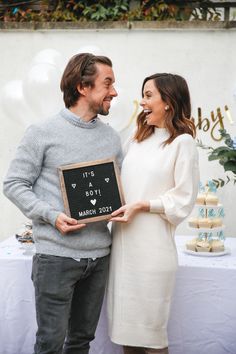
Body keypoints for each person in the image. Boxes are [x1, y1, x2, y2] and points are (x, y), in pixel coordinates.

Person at [3, 53, 123, 354]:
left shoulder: (111, 138)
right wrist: (52, 215)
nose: (114, 92)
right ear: (83, 87)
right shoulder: (41, 132)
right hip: (55, 258)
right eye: (107, 83)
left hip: (99, 257)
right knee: (50, 344)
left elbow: (116, 190)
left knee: (81, 342)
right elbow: (13, 184)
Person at [107, 73, 199, 354]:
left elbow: (184, 198)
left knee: (151, 338)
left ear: (169, 102)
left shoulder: (182, 143)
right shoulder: (136, 141)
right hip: (123, 251)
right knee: (127, 336)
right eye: (143, 95)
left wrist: (143, 205)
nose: (142, 102)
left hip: (152, 254)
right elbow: (121, 186)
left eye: (149, 95)